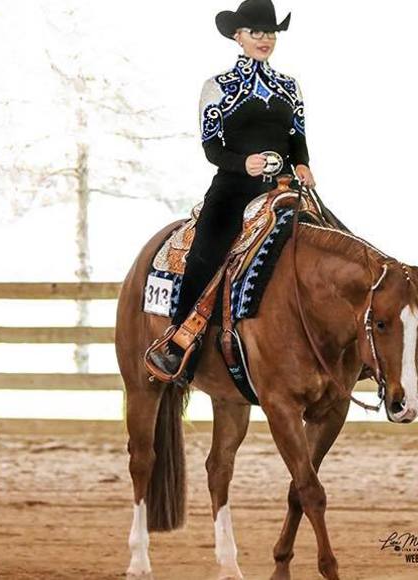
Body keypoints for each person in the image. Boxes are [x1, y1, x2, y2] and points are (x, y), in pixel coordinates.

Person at [149, 0, 316, 376]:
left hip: (283, 187)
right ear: (238, 36)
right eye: (256, 32)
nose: (265, 39)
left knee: (330, 239)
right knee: (205, 251)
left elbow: (297, 138)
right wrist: (243, 164)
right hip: (233, 188)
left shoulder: (290, 87)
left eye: (270, 32)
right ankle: (181, 339)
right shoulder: (217, 87)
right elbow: (212, 148)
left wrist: (303, 164)